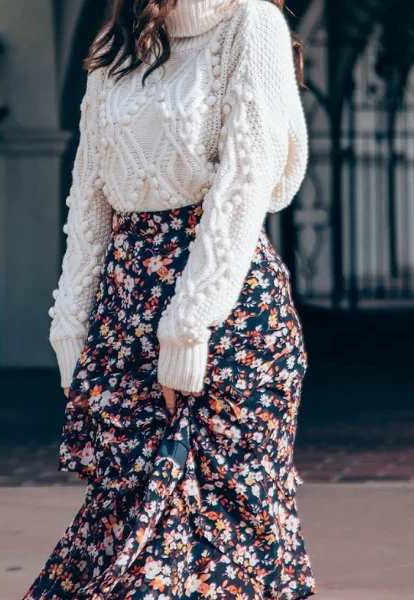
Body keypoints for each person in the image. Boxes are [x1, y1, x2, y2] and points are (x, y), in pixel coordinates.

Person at [27, 0, 313, 597]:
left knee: (219, 544)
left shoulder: (250, 24)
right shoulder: (120, 42)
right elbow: (89, 194)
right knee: (125, 528)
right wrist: (71, 327)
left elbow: (246, 180)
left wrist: (188, 327)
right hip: (125, 309)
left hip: (225, 314)